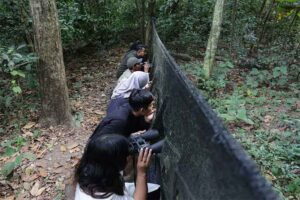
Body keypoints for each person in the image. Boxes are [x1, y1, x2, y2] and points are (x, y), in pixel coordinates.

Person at [74, 134, 156, 200]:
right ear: (118, 163)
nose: (129, 157)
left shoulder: (88, 170)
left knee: (154, 188)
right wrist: (142, 172)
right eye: (127, 156)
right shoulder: (109, 197)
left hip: (112, 188)